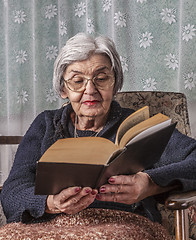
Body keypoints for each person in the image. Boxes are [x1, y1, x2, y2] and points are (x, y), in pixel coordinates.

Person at [0, 33, 196, 239]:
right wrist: (50, 203)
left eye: (101, 79)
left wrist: (149, 184)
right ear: (63, 89)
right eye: (77, 81)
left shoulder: (139, 126)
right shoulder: (46, 124)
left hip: (122, 223)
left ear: (115, 83)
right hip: (48, 225)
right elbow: (13, 189)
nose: (90, 90)